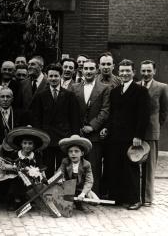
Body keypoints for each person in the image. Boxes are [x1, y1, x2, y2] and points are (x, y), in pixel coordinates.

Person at [101, 59, 150, 210]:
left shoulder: (141, 91)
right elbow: (112, 114)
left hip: (131, 138)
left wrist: (138, 136)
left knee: (131, 169)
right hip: (115, 137)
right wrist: (106, 128)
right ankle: (117, 197)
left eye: (127, 71)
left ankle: (135, 199)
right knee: (115, 166)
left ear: (133, 73)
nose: (124, 74)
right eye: (122, 71)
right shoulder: (115, 91)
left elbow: (144, 116)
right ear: (119, 72)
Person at [32, 63, 80, 178]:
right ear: (47, 77)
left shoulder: (69, 95)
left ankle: (63, 194)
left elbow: (75, 118)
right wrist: (39, 138)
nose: (53, 79)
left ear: (61, 76)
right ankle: (47, 192)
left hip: (64, 138)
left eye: (56, 76)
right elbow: (36, 118)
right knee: (46, 168)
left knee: (63, 168)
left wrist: (74, 137)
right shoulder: (40, 96)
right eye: (51, 76)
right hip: (47, 139)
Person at [70, 59, 110, 195]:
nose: (88, 71)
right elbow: (71, 110)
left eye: (91, 68)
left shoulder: (104, 88)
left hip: (94, 135)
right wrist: (79, 127)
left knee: (94, 166)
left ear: (97, 70)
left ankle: (93, 196)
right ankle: (75, 195)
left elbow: (105, 110)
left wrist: (92, 126)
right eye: (86, 68)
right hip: (78, 134)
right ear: (82, 70)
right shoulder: (74, 87)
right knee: (75, 166)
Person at [138, 60, 168, 206]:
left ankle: (147, 198)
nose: (146, 74)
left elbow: (164, 112)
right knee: (135, 164)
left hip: (151, 132)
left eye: (149, 71)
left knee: (149, 167)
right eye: (143, 71)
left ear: (154, 71)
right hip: (136, 132)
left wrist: (156, 125)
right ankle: (136, 195)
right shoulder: (136, 86)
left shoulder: (162, 88)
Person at [4, 126, 50, 210]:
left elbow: (40, 167)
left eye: (30, 143)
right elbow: (10, 164)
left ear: (33, 145)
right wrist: (13, 167)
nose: (27, 146)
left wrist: (44, 177)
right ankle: (15, 201)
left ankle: (27, 201)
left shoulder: (36, 156)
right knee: (15, 185)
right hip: (17, 177)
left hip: (31, 179)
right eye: (25, 143)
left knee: (32, 186)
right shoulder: (15, 154)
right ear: (21, 144)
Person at [58, 135, 99, 210]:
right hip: (68, 187)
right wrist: (60, 179)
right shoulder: (65, 161)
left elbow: (89, 181)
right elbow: (59, 173)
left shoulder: (86, 164)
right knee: (61, 202)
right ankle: (70, 201)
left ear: (82, 153)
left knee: (95, 201)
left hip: (81, 188)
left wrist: (83, 193)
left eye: (76, 151)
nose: (73, 154)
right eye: (70, 151)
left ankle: (78, 201)